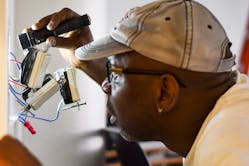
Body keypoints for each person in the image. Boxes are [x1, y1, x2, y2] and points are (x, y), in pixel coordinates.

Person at [1, 0, 249, 165]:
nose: (106, 85)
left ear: (164, 92)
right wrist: (86, 61)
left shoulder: (230, 148)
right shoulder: (232, 103)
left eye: (116, 74)